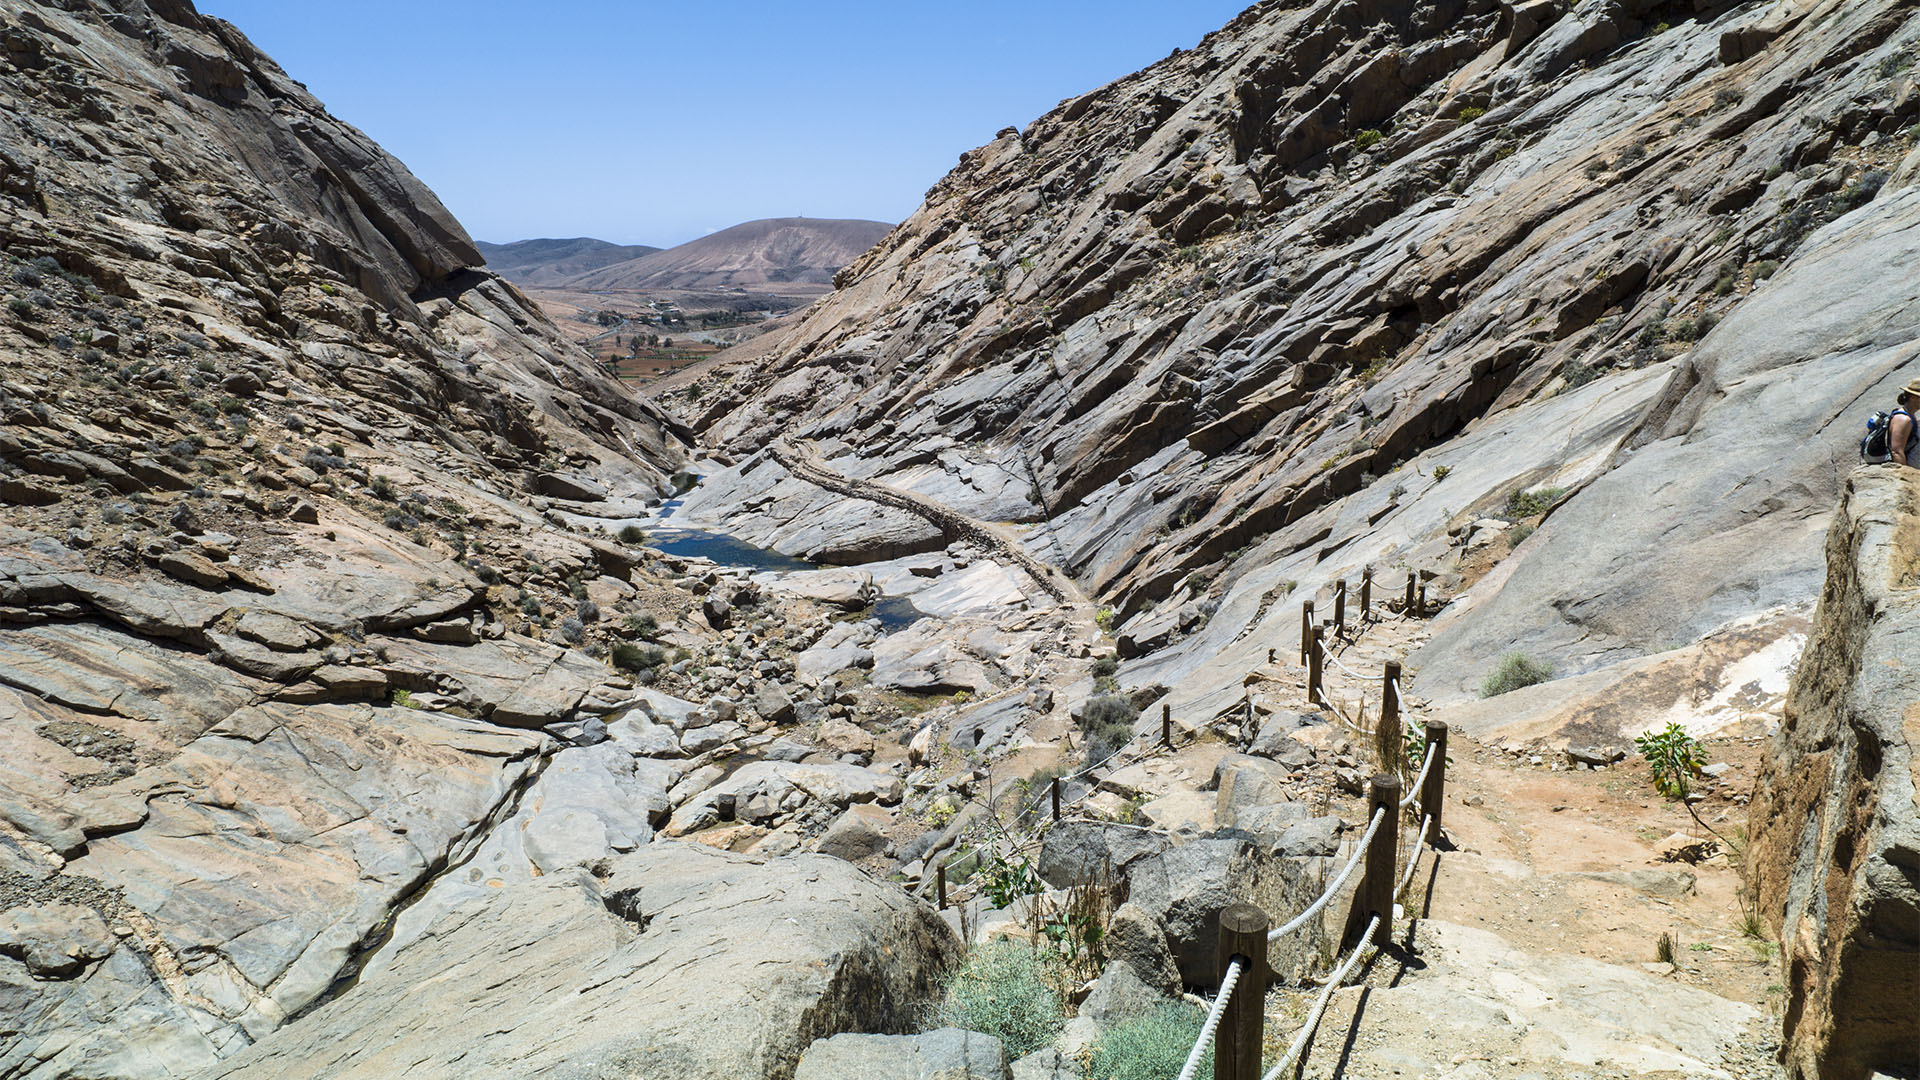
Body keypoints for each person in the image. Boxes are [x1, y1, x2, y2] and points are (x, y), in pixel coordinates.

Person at [1894, 377, 1920, 467]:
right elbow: (1897, 451)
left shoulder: (1910, 416)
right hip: (1909, 472)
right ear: (1913, 397)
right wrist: (1904, 476)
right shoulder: (1903, 419)